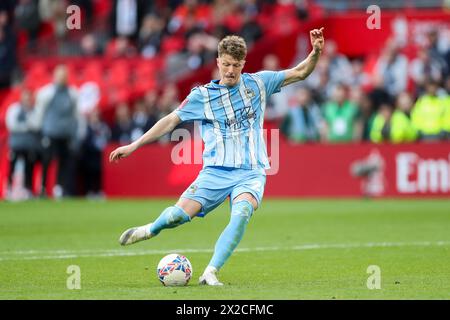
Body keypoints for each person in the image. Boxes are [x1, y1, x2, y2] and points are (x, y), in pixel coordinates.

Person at [109, 29, 325, 286]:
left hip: (250, 170)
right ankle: (150, 229)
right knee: (177, 217)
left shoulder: (259, 83)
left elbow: (300, 72)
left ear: (243, 64)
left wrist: (316, 52)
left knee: (242, 212)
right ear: (218, 62)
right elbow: (169, 122)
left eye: (235, 65)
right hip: (215, 172)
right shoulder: (202, 96)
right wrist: (134, 145)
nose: (230, 70)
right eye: (226, 64)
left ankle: (210, 271)